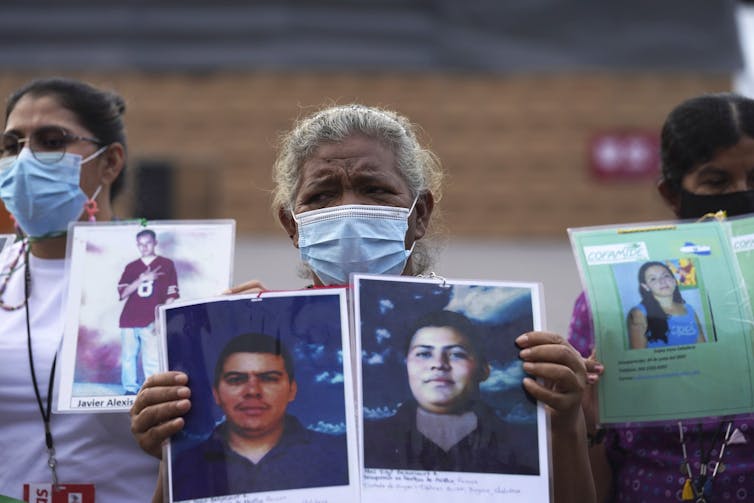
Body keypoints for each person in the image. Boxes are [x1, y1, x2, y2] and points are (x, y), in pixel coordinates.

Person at [131, 104, 597, 503]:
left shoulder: (500, 345)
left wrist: (564, 424)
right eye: (322, 194)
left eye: (375, 189)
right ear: (292, 225)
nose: (348, 209)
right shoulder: (237, 336)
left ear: (420, 215)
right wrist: (176, 450)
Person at [571, 93, 754, 503]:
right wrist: (585, 423)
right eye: (717, 181)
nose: (742, 196)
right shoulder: (608, 303)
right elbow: (590, 473)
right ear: (672, 194)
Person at [0, 77, 158, 500]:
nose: (26, 159)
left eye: (52, 141)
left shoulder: (168, 272)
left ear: (110, 162)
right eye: (12, 145)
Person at [171, 333, 348, 500]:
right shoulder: (183, 467)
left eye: (269, 378)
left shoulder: (339, 457)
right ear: (216, 393)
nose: (253, 391)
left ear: (292, 390)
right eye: (236, 379)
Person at [364, 310, 538, 474]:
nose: (439, 364)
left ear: (484, 370)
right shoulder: (367, 441)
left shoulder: (526, 444)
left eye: (456, 354)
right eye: (424, 354)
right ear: (406, 366)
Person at [118, 228, 179, 394]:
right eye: (140, 244)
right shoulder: (131, 267)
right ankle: (130, 389)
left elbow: (171, 294)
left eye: (148, 243)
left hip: (151, 318)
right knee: (128, 356)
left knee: (151, 357)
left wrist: (161, 318)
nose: (144, 247)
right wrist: (141, 279)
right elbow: (123, 293)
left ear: (155, 243)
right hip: (129, 318)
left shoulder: (166, 264)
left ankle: (152, 390)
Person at [627, 261, 705, 349]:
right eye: (653, 279)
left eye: (666, 275)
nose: (662, 281)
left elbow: (703, 348)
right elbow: (639, 357)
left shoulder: (689, 309)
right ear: (646, 286)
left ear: (674, 280)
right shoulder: (638, 313)